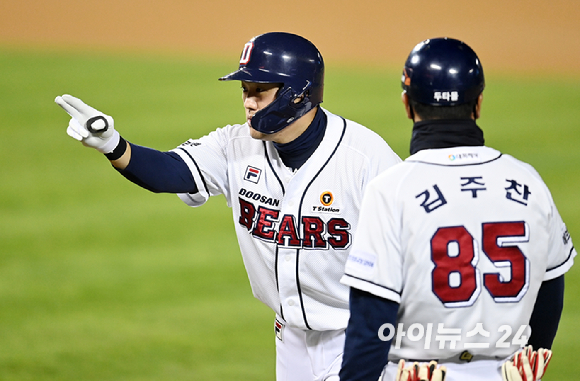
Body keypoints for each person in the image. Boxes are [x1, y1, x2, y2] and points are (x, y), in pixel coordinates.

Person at [54, 32, 402, 381]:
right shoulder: (234, 146)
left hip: (357, 335)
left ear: (298, 94)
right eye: (244, 91)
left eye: (258, 92)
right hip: (289, 337)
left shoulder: (366, 160)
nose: (248, 103)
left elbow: (410, 258)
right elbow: (170, 172)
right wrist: (112, 145)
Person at [338, 37, 576, 381]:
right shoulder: (529, 182)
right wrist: (527, 355)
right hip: (508, 373)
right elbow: (550, 291)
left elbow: (371, 320)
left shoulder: (392, 189)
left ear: (407, 104)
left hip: (417, 372)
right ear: (478, 103)